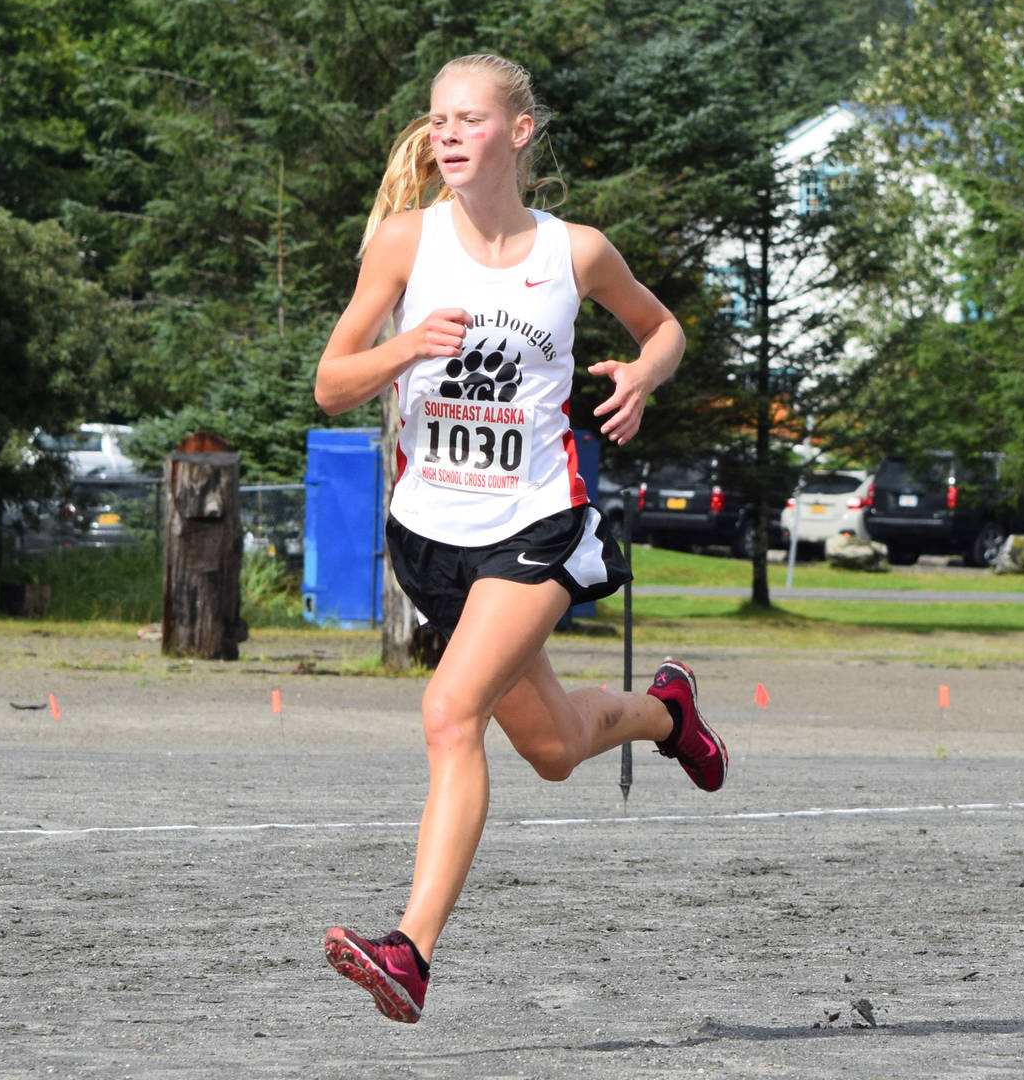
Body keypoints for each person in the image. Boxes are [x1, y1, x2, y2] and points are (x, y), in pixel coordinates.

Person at [311, 53, 728, 1025]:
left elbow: (662, 329)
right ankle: (669, 713)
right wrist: (404, 347)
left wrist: (639, 376)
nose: (447, 133)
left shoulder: (572, 251)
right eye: (436, 119)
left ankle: (408, 951)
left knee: (448, 713)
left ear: (519, 132)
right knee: (550, 747)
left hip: (537, 523)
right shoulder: (403, 247)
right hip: (431, 539)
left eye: (468, 118)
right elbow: (332, 383)